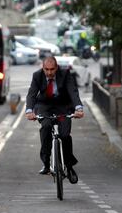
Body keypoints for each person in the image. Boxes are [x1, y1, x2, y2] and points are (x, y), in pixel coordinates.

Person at [25, 56, 84, 184]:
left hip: (62, 107)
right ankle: (46, 163)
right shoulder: (37, 76)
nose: (49, 72)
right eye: (47, 69)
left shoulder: (65, 74)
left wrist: (78, 108)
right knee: (46, 127)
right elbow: (31, 94)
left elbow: (73, 92)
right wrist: (29, 111)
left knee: (65, 135)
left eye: (52, 69)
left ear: (56, 68)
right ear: (43, 68)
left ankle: (69, 167)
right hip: (44, 106)